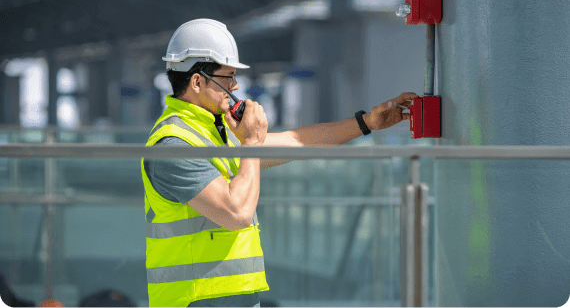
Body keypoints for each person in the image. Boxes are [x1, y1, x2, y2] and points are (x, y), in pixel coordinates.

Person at [141, 19, 419, 308]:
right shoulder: (174, 146)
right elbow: (236, 213)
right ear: (197, 81)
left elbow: (296, 141)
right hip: (195, 301)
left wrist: (366, 123)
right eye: (228, 78)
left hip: (231, 299)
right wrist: (251, 142)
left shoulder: (212, 133)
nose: (235, 87)